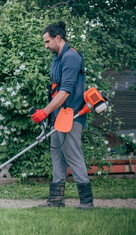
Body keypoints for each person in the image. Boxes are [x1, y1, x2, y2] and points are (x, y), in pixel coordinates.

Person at [31, 21, 93, 210]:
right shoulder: (57, 57)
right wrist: (49, 114)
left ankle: (86, 202)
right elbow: (54, 89)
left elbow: (65, 91)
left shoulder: (71, 57)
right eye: (44, 42)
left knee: (73, 155)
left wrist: (44, 112)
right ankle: (56, 200)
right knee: (56, 155)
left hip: (71, 115)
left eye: (48, 41)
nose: (46, 45)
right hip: (57, 116)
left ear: (58, 38)